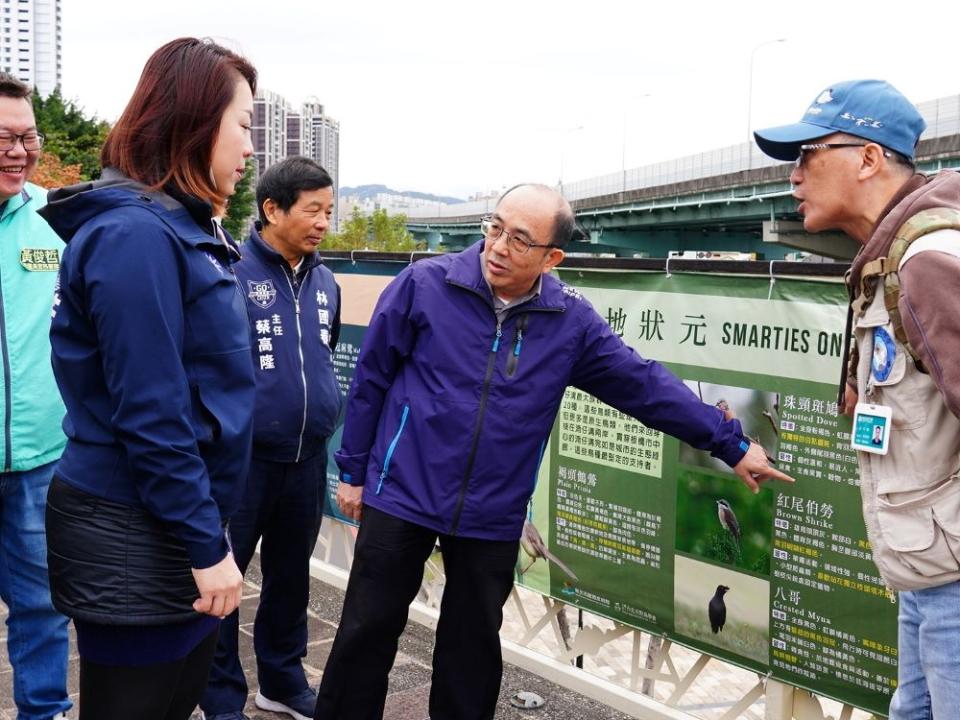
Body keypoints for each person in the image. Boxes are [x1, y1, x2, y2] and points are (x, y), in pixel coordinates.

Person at [314, 183, 791, 720]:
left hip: (492, 513)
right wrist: (351, 472)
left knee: (471, 653)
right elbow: (370, 380)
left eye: (519, 240)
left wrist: (731, 444)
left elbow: (643, 385)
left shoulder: (570, 321)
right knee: (365, 631)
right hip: (401, 491)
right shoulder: (424, 285)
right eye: (494, 228)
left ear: (552, 257)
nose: (497, 247)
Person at [38, 38, 257, 720]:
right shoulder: (136, 237)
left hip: (168, 518)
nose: (250, 147)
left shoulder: (176, 228)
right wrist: (205, 544)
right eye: (244, 124)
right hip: (133, 526)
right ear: (196, 121)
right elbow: (152, 412)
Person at [754, 79, 960, 720]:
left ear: (869, 158)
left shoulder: (928, 260)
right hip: (928, 579)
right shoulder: (886, 261)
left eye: (807, 155)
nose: (793, 177)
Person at [201, 156, 341, 720]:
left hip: (306, 457)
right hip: (240, 462)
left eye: (329, 212)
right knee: (223, 582)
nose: (323, 223)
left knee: (291, 575)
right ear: (271, 209)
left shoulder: (325, 280)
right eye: (313, 210)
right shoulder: (227, 270)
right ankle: (220, 697)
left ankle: (281, 680)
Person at [0, 72, 71, 720]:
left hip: (40, 461)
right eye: (3, 138)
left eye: (26, 137)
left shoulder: (55, 223)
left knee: (44, 606)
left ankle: (43, 713)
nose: (17, 151)